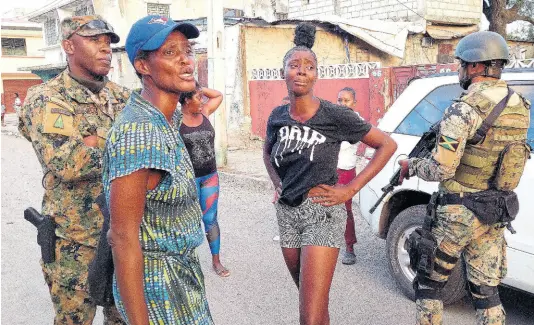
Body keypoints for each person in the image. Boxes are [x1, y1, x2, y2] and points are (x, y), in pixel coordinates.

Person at [263, 23, 397, 325]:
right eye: (294, 65)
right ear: (282, 71)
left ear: (316, 75)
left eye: (308, 66)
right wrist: (277, 183)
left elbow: (387, 145)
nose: (301, 71)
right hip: (287, 213)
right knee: (313, 303)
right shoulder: (277, 116)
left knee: (308, 316)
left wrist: (350, 190)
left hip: (321, 212)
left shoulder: (335, 115)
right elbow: (266, 151)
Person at [398, 31, 531, 325]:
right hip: (494, 210)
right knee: (486, 292)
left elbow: (441, 169)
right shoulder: (520, 105)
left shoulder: (464, 109)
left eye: (461, 64)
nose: (459, 70)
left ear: (474, 66)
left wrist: (412, 165)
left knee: (429, 286)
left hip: (458, 213)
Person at [18, 15, 130, 325]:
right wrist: (120, 144)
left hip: (124, 233)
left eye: (108, 43)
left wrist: (96, 142)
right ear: (69, 46)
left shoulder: (122, 97)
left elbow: (150, 147)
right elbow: (67, 163)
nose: (105, 49)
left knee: (123, 317)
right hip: (74, 240)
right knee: (74, 321)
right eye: (95, 41)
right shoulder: (46, 97)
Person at [103, 15, 213, 325]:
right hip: (158, 289)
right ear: (143, 66)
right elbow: (122, 238)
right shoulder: (139, 133)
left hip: (180, 278)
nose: (186, 61)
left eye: (187, 50)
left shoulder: (166, 120)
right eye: (169, 52)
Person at [178, 83, 229, 277]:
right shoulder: (175, 120)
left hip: (209, 176)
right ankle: (185, 264)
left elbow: (218, 94)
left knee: (210, 219)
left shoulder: (205, 111)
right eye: (198, 97)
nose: (202, 101)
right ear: (186, 99)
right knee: (187, 222)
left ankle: (216, 261)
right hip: (187, 180)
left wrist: (197, 86)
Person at [336, 87, 361, 265]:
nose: (343, 104)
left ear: (354, 102)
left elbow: (342, 145)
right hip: (329, 170)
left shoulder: (357, 122)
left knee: (346, 210)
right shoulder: (334, 119)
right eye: (340, 100)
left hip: (346, 171)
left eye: (347, 101)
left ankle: (349, 247)